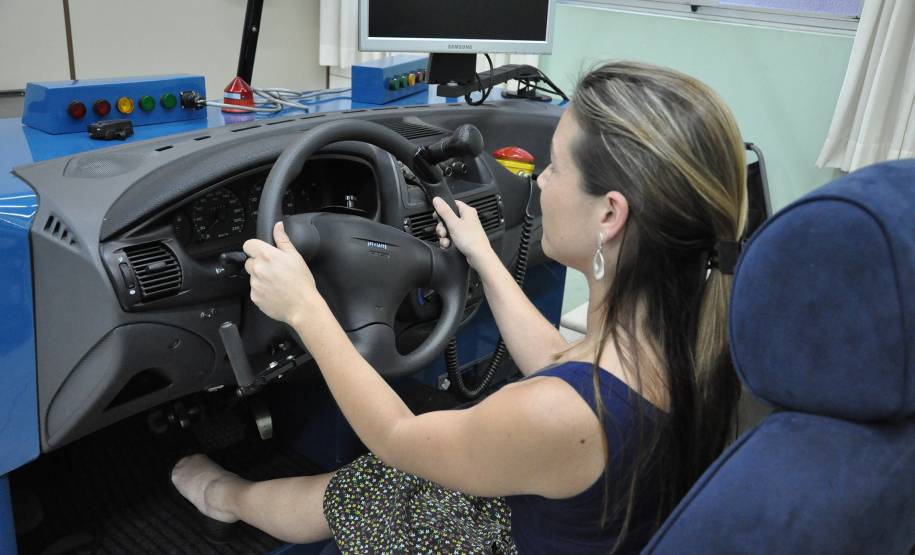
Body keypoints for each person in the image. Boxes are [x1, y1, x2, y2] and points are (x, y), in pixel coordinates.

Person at [171, 61, 747, 554]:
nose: (541, 182)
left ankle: (227, 497)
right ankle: (234, 500)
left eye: (556, 167)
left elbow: (397, 436)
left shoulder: (559, 415)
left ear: (609, 215)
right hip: (570, 519)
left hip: (515, 536)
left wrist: (305, 310)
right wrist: (482, 257)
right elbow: (559, 361)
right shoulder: (693, 333)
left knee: (379, 479)